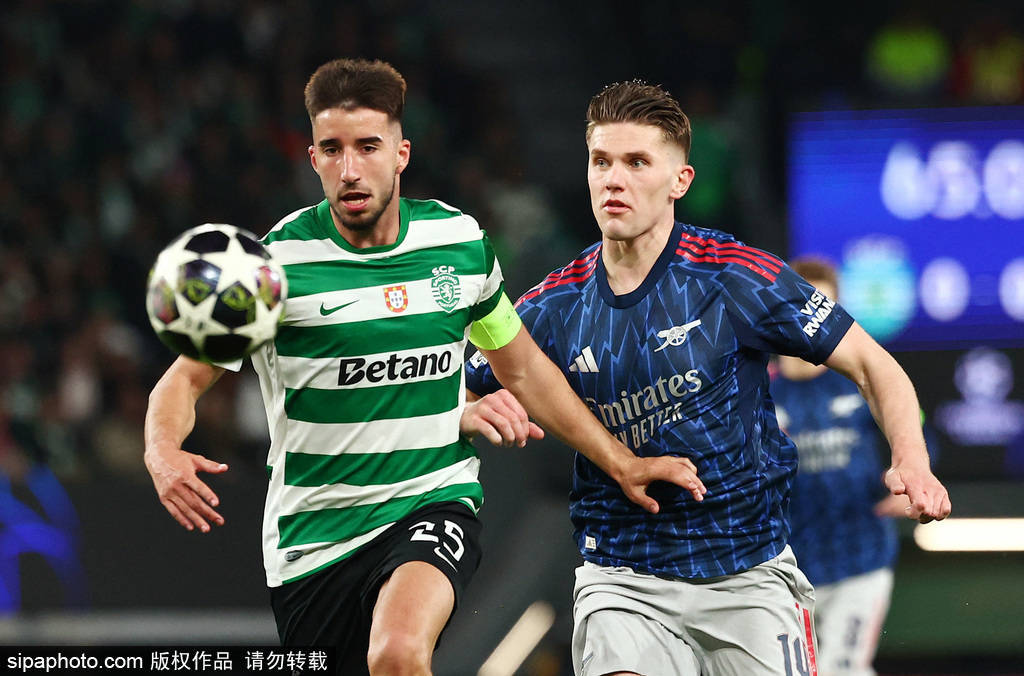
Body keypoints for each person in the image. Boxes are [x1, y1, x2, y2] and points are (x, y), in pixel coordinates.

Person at [143, 59, 704, 676]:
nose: (350, 169)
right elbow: (182, 381)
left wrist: (621, 461)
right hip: (312, 543)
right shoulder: (273, 267)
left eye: (368, 147)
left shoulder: (458, 245)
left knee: (398, 651)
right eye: (332, 149)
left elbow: (523, 369)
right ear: (312, 158)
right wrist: (163, 450)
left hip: (431, 502)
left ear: (401, 154)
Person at [464, 80, 951, 676]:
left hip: (747, 573)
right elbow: (460, 384)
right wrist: (469, 410)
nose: (613, 179)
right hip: (623, 577)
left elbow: (877, 366)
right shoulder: (552, 306)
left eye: (637, 162)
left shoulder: (734, 277)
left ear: (680, 181)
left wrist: (911, 459)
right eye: (601, 161)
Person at [771, 256, 921, 676]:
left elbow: (918, 436)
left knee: (843, 668)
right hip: (783, 567)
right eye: (803, 306)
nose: (813, 322)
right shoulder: (755, 392)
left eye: (825, 309)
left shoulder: (864, 383)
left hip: (860, 557)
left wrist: (911, 479)